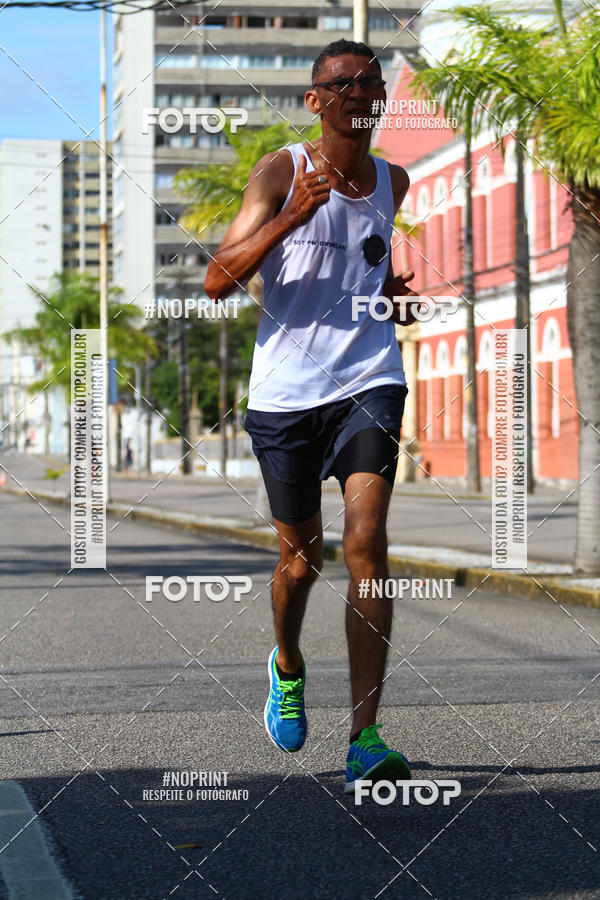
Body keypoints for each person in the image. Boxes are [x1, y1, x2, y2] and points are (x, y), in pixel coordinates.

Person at [205, 39, 420, 794]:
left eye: (372, 82)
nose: (362, 92)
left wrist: (394, 297)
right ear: (316, 100)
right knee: (302, 561)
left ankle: (365, 735)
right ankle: (287, 667)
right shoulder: (280, 171)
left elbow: (372, 267)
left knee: (366, 540)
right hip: (286, 398)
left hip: (369, 380)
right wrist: (290, 217)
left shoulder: (395, 178)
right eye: (345, 83)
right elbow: (214, 281)